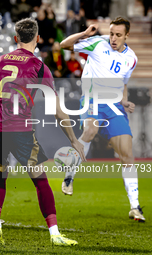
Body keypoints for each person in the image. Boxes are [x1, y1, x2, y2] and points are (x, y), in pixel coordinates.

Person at [0, 18, 86, 246]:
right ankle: (54, 234)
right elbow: (55, 109)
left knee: (0, 174)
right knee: (40, 180)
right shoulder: (39, 66)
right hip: (19, 130)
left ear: (15, 38)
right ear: (38, 38)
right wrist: (73, 140)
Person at [60, 17, 145, 222]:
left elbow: (123, 83)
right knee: (91, 130)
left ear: (126, 36)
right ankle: (70, 174)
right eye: (112, 33)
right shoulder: (98, 43)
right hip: (91, 99)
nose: (113, 38)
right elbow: (64, 45)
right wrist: (84, 34)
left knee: (127, 153)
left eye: (118, 35)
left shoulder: (131, 58)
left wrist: (124, 101)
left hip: (114, 105)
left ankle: (135, 207)